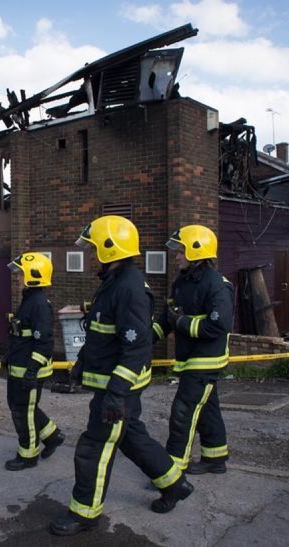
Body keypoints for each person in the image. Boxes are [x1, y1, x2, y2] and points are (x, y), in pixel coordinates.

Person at [50, 215, 193, 537]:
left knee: (93, 448)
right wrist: (81, 365)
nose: (89, 254)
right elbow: (102, 334)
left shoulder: (128, 288)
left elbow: (137, 347)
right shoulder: (114, 282)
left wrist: (116, 393)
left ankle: (84, 513)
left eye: (93, 248)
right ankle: (175, 483)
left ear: (109, 249)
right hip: (114, 386)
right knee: (131, 437)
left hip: (118, 390)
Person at [153, 225, 234, 475]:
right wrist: (145, 340)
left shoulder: (217, 284)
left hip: (206, 360)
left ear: (196, 252)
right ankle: (215, 457)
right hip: (190, 359)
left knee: (183, 411)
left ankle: (172, 470)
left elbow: (219, 324)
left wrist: (183, 323)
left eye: (181, 251)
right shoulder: (182, 281)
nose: (176, 256)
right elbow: (170, 317)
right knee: (207, 408)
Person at [2, 252, 65, 471]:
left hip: (28, 372)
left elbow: (44, 342)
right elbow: (23, 335)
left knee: (23, 412)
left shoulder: (38, 304)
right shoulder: (29, 300)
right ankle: (53, 435)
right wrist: (9, 357)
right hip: (19, 368)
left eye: (21, 273)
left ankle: (28, 455)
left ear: (33, 275)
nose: (17, 277)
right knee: (20, 407)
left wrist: (32, 370)